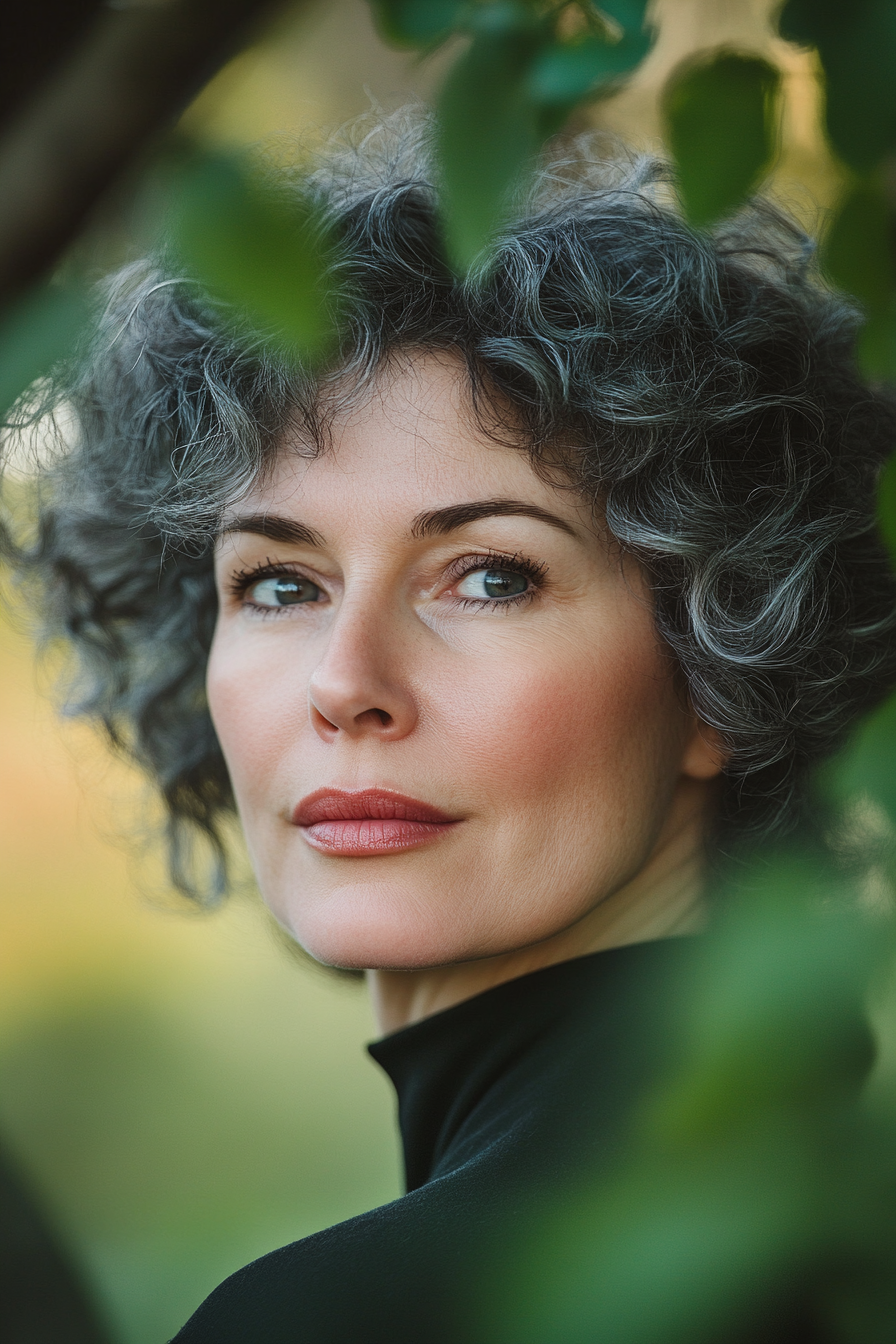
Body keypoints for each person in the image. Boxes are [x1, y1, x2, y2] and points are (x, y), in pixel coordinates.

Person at [3, 112, 895, 1342]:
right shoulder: (828, 1197)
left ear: (725, 654)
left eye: (488, 577)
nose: (345, 680)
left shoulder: (352, 1316)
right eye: (278, 583)